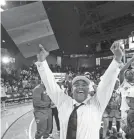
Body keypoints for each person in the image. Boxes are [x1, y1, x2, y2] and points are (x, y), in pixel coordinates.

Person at [35, 42, 123, 139]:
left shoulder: (97, 104)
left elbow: (107, 82)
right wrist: (42, 61)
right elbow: (50, 84)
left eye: (84, 84)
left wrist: (117, 59)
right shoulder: (63, 102)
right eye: (76, 84)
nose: (80, 87)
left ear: (88, 88)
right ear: (72, 89)